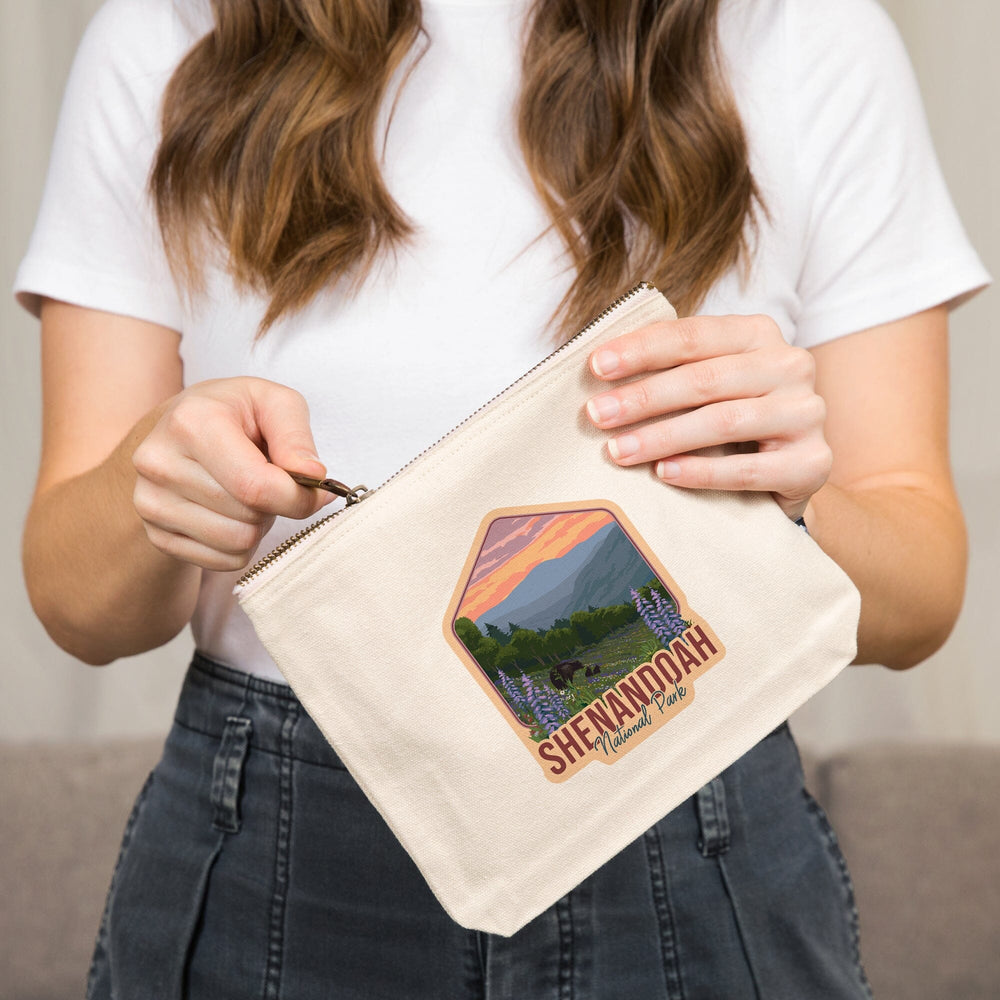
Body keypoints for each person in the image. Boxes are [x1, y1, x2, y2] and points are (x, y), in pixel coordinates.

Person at [15, 0, 988, 996]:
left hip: (685, 790)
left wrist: (788, 506)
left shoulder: (804, 35)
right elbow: (78, 605)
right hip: (283, 827)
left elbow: (918, 595)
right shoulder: (168, 33)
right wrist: (161, 479)